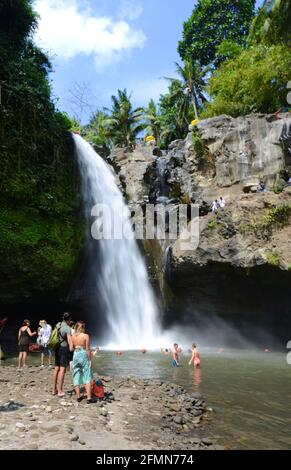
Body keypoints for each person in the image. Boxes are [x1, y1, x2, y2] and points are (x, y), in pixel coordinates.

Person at [69, 321, 95, 404]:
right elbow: (87, 349)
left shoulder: (72, 336)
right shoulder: (86, 336)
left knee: (76, 374)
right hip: (83, 354)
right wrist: (90, 360)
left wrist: (76, 347)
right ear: (83, 327)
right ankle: (88, 398)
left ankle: (78, 397)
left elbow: (70, 349)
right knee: (87, 374)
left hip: (75, 354)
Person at [52, 313, 72, 397]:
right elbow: (69, 341)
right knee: (62, 370)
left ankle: (54, 390)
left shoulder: (58, 324)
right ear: (68, 319)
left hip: (57, 348)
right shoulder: (67, 328)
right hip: (63, 349)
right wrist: (72, 350)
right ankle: (60, 390)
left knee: (56, 368)